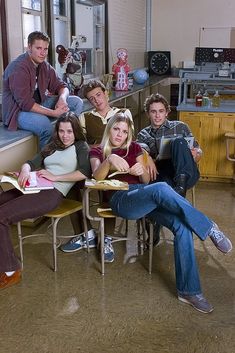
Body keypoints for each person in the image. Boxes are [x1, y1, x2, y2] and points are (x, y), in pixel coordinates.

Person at [89, 112, 232, 314]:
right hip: (120, 200)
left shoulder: (135, 148)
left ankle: (189, 291)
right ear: (109, 128)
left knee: (182, 226)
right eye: (116, 129)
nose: (119, 134)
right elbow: (96, 178)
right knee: (162, 188)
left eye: (124, 131)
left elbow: (147, 181)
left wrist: (142, 171)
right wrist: (109, 159)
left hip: (144, 195)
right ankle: (209, 226)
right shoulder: (97, 151)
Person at [0, 112, 91, 290]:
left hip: (52, 193)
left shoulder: (81, 146)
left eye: (69, 131)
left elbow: (84, 172)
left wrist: (56, 177)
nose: (65, 135)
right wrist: (25, 170)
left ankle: (11, 270)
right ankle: (4, 257)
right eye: (61, 131)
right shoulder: (53, 145)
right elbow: (31, 162)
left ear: (76, 132)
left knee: (1, 216)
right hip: (34, 185)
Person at [60, 79, 132, 253]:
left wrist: (98, 146)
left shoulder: (123, 113)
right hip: (93, 161)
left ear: (106, 93)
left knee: (108, 186)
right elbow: (80, 145)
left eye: (99, 95)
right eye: (92, 98)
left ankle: (106, 236)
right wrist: (98, 147)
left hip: (116, 164)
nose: (97, 100)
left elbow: (127, 142)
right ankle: (85, 233)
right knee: (70, 184)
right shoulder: (85, 117)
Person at [2, 31, 83, 149]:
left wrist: (62, 99)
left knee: (77, 102)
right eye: (38, 48)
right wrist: (53, 113)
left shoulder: (44, 66)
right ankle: (48, 161)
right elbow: (25, 104)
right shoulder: (18, 68)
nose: (43, 53)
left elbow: (62, 86)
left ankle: (68, 141)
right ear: (29, 47)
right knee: (45, 125)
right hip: (17, 112)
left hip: (39, 104)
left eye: (45, 49)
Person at [137, 93, 201, 197]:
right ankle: (179, 191)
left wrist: (195, 154)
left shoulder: (181, 126)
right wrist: (147, 156)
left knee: (178, 141)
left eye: (161, 111)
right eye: (153, 112)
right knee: (163, 183)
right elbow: (139, 151)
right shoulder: (143, 134)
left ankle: (181, 186)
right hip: (163, 174)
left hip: (187, 174)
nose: (157, 115)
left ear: (167, 112)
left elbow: (198, 152)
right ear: (148, 114)